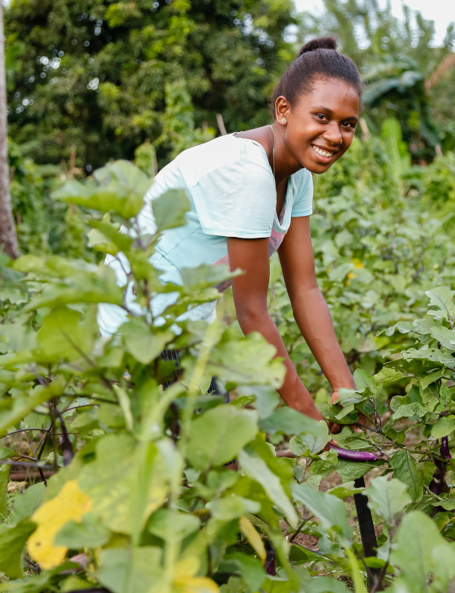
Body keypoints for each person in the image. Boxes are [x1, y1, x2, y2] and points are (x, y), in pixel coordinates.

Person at [98, 37, 361, 421]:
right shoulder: (248, 172)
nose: (335, 136)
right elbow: (251, 311)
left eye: (347, 124)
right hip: (139, 323)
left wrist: (346, 388)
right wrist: (308, 419)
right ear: (283, 110)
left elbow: (305, 288)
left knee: (213, 459)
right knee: (206, 462)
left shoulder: (297, 174)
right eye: (322, 117)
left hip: (186, 323)